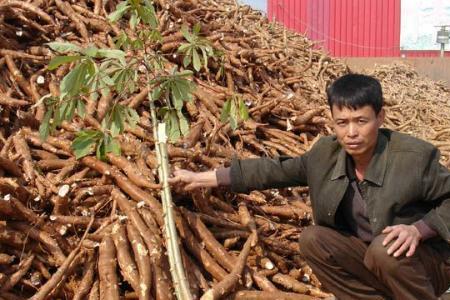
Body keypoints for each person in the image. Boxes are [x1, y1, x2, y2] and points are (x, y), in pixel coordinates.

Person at [169, 74, 450, 299]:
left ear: (380, 117)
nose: (351, 132)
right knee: (314, 240)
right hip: (373, 262)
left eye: (361, 121)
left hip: (427, 266)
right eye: (342, 123)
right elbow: (275, 170)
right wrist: (202, 178)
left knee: (385, 249)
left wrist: (418, 230)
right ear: (333, 122)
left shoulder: (413, 158)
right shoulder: (325, 155)